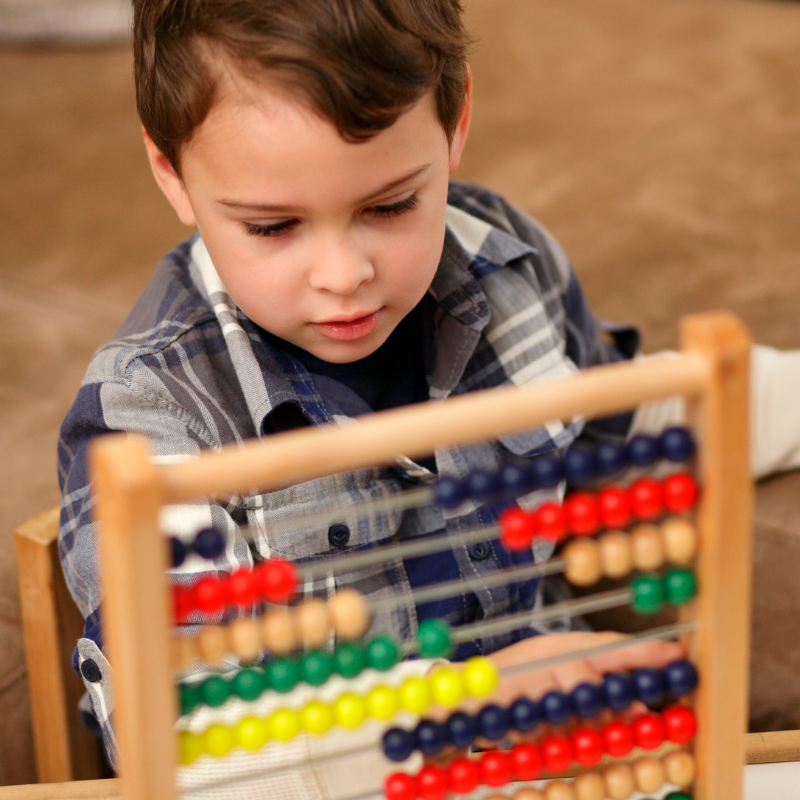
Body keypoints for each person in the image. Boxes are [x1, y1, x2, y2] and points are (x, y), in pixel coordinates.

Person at [57, 0, 799, 783]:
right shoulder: (148, 425)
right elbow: (186, 745)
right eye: (273, 228)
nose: (343, 276)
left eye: (391, 205)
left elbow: (629, 420)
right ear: (170, 172)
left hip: (564, 764)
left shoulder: (503, 270)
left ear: (455, 123)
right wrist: (462, 700)